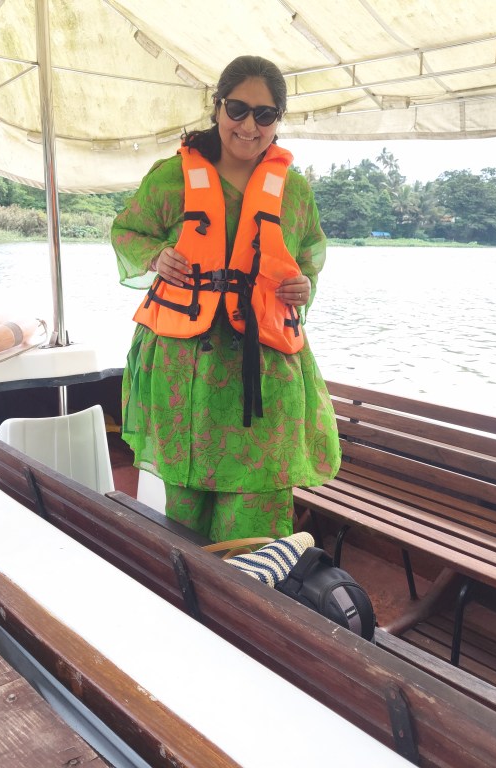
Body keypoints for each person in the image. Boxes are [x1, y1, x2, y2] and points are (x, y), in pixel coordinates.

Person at [112, 54, 340, 543]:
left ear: (278, 120)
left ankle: (249, 589)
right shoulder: (171, 177)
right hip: (185, 368)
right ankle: (190, 588)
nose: (249, 126)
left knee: (257, 510)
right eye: (238, 109)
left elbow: (308, 259)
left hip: (265, 375)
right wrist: (156, 256)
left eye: (265, 114)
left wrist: (303, 285)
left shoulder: (295, 191)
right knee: (186, 509)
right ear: (217, 107)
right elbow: (127, 232)